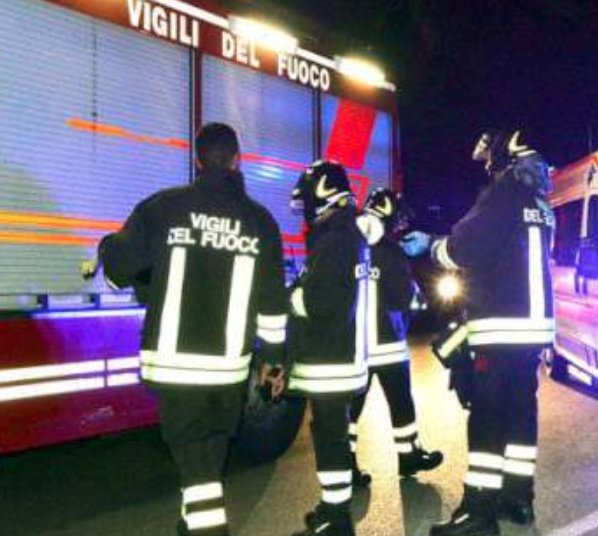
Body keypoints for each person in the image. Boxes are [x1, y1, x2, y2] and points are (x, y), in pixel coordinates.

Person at [95, 123, 288, 536]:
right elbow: (274, 306)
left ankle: (207, 529)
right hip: (229, 371)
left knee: (196, 464)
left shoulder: (162, 208)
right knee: (208, 455)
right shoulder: (261, 222)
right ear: (237, 161)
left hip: (175, 366)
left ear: (197, 160)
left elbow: (120, 266)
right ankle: (193, 523)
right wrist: (273, 364)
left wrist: (106, 247)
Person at [403, 129, 555, 536]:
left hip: (499, 327)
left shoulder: (502, 197)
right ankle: (518, 499)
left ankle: (478, 512)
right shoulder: (541, 205)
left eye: (491, 161)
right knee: (521, 415)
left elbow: (462, 248)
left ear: (505, 160)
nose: (488, 169)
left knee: (487, 417)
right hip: (532, 331)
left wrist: (428, 244)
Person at [286, 161, 382, 536]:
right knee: (332, 433)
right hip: (343, 354)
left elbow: (319, 301)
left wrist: (291, 297)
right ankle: (333, 508)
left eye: (308, 201)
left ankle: (336, 518)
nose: (306, 212)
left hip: (330, 357)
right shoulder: (349, 232)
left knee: (329, 436)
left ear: (323, 192)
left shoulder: (335, 237)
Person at [348, 189, 444, 487]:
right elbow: (405, 298)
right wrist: (415, 292)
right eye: (398, 220)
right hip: (388, 347)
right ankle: (409, 456)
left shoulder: (347, 244)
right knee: (401, 405)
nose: (400, 226)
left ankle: (345, 464)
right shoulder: (392, 252)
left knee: (351, 409)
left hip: (355, 348)